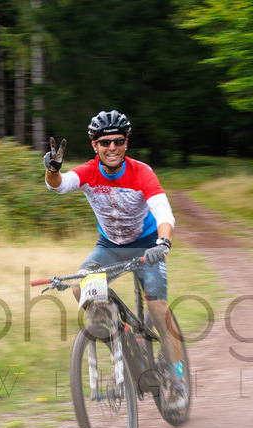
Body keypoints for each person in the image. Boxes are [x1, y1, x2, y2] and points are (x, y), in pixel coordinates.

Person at [43, 109, 185, 399]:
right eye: (105, 142)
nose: (112, 147)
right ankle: (119, 338)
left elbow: (163, 210)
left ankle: (177, 376)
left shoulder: (141, 172)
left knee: (158, 308)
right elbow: (59, 185)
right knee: (79, 286)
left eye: (118, 141)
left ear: (126, 143)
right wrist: (53, 170)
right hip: (109, 246)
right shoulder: (88, 172)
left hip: (147, 246)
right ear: (94, 145)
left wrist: (163, 243)